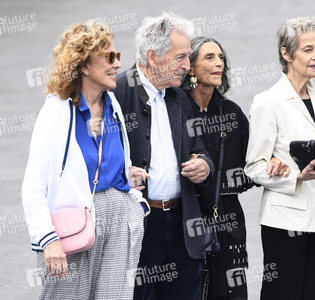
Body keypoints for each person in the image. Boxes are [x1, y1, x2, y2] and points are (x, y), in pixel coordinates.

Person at [22, 23, 149, 299]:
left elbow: (103, 159)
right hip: (75, 224)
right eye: (109, 57)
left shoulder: (112, 105)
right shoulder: (56, 110)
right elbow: (34, 183)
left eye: (118, 56)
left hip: (118, 221)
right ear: (84, 66)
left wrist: (126, 174)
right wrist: (48, 240)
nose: (118, 64)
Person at [113, 13, 214, 300]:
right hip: (140, 225)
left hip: (183, 226)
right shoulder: (118, 92)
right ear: (152, 56)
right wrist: (124, 173)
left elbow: (202, 150)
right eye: (181, 56)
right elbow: (94, 160)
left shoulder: (179, 98)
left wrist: (204, 166)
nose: (187, 65)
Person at [180, 36, 289, 300]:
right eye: (209, 57)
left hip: (227, 220)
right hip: (184, 217)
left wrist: (272, 163)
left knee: (232, 294)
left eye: (221, 57)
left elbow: (252, 166)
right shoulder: (176, 109)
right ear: (191, 68)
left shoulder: (231, 112)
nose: (219, 63)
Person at [244, 17, 315, 300]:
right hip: (284, 223)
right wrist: (295, 176)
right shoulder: (267, 102)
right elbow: (254, 167)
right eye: (308, 49)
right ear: (286, 53)